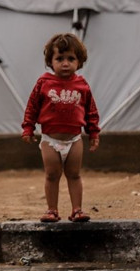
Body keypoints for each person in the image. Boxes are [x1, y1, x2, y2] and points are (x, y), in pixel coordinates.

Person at [22, 33, 100, 223]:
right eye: (59, 58)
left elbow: (91, 110)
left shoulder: (82, 85)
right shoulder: (44, 83)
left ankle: (77, 210)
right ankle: (52, 210)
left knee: (74, 175)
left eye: (71, 59)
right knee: (52, 175)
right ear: (50, 61)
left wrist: (94, 132)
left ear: (79, 61)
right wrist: (28, 128)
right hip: (50, 140)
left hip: (74, 140)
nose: (65, 63)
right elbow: (32, 107)